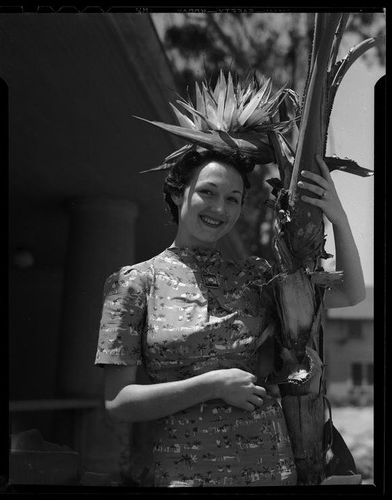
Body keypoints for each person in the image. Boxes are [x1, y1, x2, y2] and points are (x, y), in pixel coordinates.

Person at [94, 74, 366, 487]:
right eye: (208, 192)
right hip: (183, 476)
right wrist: (213, 384)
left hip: (272, 471)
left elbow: (349, 293)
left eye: (234, 198)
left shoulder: (254, 277)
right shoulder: (133, 284)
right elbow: (118, 402)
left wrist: (339, 218)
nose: (220, 208)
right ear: (176, 192)